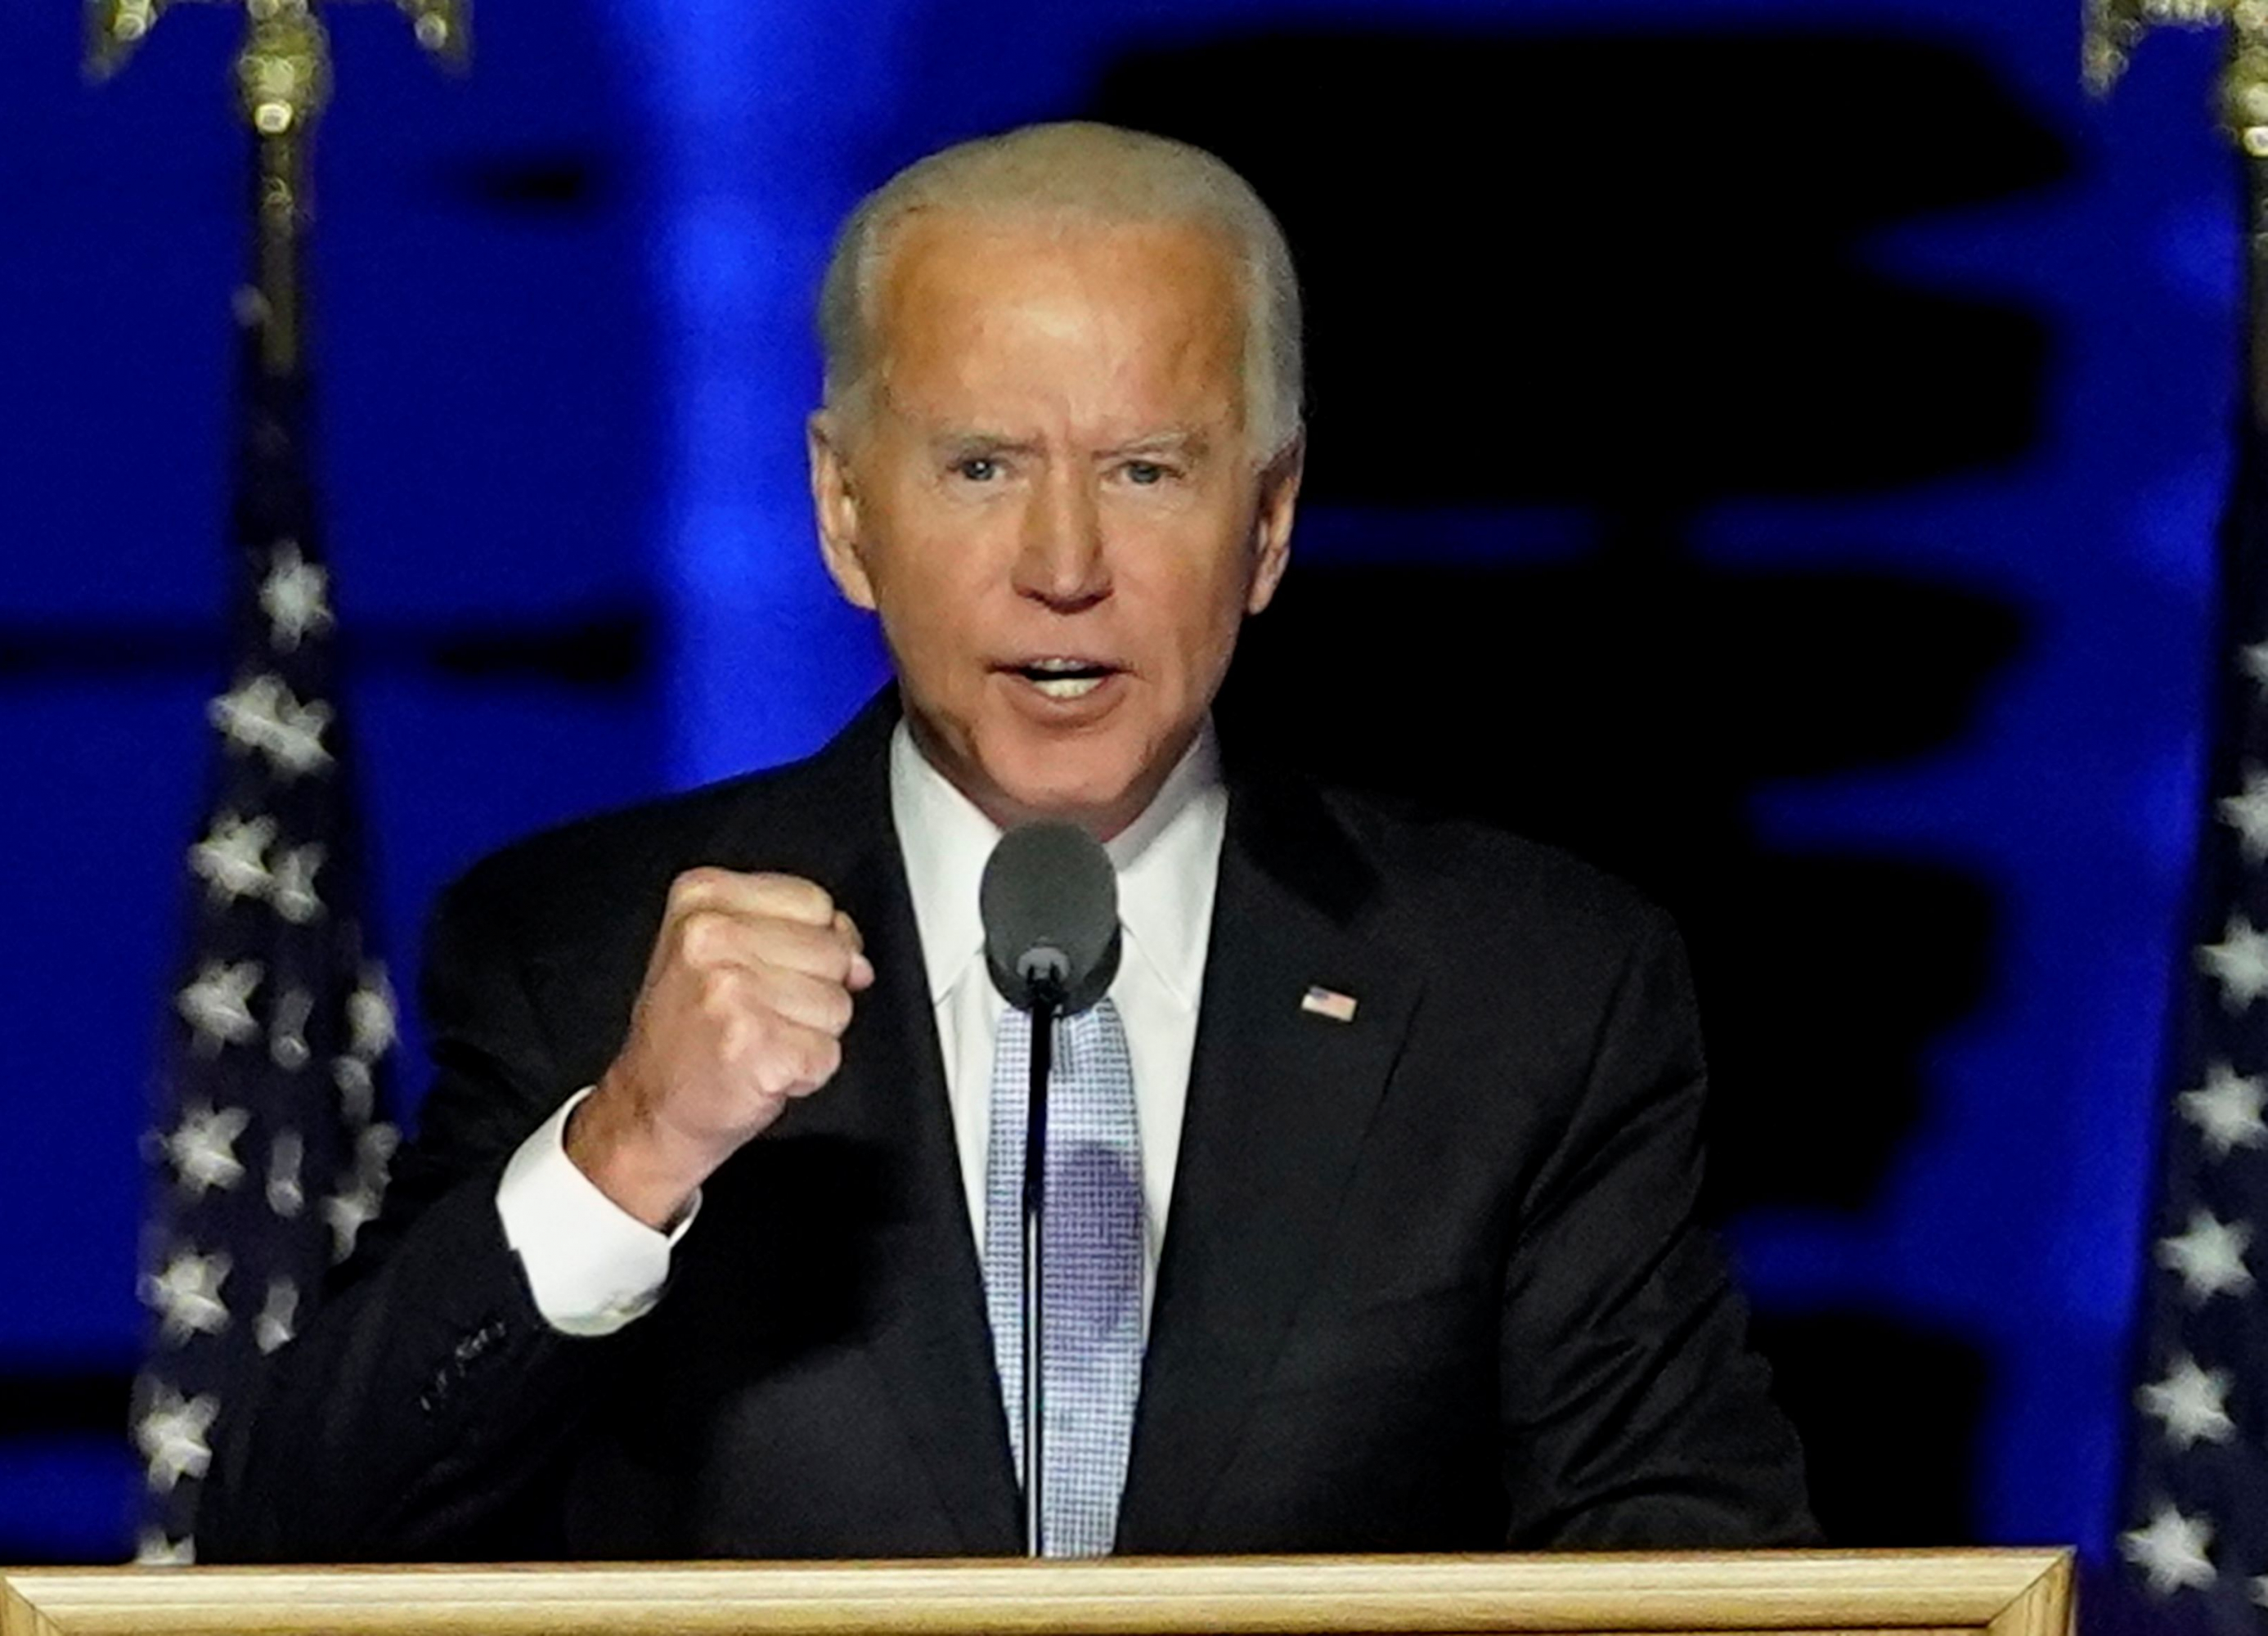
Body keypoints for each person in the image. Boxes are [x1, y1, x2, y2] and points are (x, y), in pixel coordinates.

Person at [198, 120, 1816, 1562]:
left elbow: (1687, 1569)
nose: (1062, 563)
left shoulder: (1528, 989)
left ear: (1264, 520)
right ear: (845, 513)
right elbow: (289, 1542)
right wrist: (625, 1151)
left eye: (1142, 469)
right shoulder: (578, 951)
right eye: (979, 466)